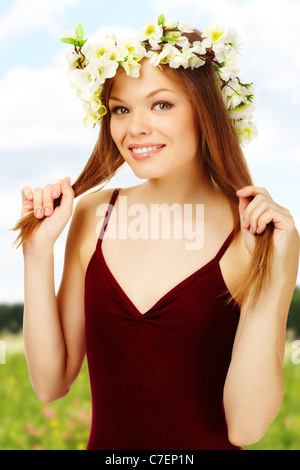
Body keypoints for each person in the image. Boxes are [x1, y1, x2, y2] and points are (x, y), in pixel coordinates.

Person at [14, 16, 299, 450]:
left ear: (206, 110)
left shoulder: (258, 235)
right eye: (121, 109)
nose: (135, 128)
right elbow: (51, 384)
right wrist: (36, 255)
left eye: (161, 104)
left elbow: (245, 428)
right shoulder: (94, 215)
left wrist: (274, 270)